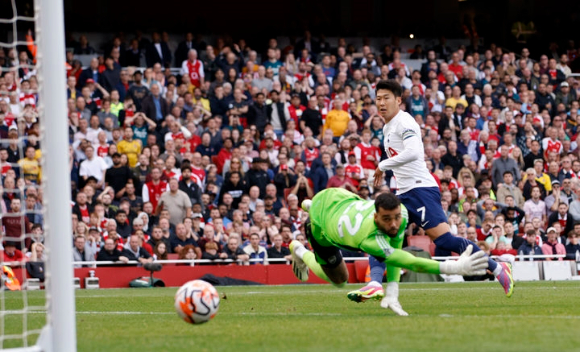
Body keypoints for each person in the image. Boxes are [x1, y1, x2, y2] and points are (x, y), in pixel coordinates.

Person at [371, 80, 513, 297]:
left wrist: (383, 165)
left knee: (446, 241)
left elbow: (414, 153)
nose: (381, 103)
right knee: (380, 232)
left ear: (398, 100)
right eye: (378, 98)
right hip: (404, 193)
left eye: (386, 98)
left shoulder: (405, 121)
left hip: (420, 190)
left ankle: (496, 267)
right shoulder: (387, 126)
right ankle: (374, 284)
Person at [291, 189, 487, 315]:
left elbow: (396, 247)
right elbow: (409, 261)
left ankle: (309, 204)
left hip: (339, 197)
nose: (393, 224)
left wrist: (392, 291)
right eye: (386, 219)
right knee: (340, 280)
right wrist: (453, 267)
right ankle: (299, 251)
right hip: (321, 223)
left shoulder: (400, 213)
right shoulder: (369, 239)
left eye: (395, 218)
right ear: (376, 217)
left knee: (392, 238)